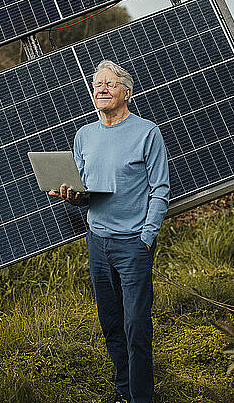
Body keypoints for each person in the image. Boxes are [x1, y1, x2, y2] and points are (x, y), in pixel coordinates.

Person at [50, 59, 170, 403]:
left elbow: (160, 189)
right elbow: (86, 191)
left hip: (133, 244)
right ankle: (123, 392)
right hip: (97, 242)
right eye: (97, 84)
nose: (101, 88)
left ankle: (141, 397)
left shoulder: (147, 132)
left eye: (109, 84)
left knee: (136, 328)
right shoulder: (84, 136)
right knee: (112, 324)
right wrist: (71, 197)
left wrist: (147, 236)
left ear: (126, 93)